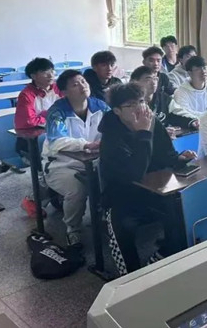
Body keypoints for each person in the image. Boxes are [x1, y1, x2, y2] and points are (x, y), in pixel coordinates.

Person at [99, 83, 196, 276]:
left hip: (153, 192)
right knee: (122, 227)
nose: (139, 108)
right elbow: (133, 173)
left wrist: (179, 158)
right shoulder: (111, 135)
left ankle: (156, 263)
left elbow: (166, 155)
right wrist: (143, 133)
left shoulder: (152, 122)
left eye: (141, 101)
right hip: (121, 197)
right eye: (131, 105)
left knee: (180, 218)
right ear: (117, 111)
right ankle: (131, 280)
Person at [42, 69, 109, 247]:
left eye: (83, 81)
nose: (82, 86)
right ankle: (73, 229)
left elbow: (116, 126)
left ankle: (106, 219)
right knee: (77, 190)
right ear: (64, 92)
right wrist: (85, 145)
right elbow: (57, 141)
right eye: (75, 84)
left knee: (113, 180)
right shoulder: (57, 111)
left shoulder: (100, 106)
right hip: (61, 164)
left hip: (94, 161)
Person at [15, 57, 62, 218]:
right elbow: (28, 120)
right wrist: (51, 116)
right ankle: (32, 200)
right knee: (51, 167)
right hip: (31, 143)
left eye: (52, 71)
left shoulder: (58, 88)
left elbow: (68, 109)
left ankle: (58, 195)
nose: (50, 75)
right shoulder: (26, 95)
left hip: (55, 137)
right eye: (44, 72)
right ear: (34, 76)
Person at [130, 65, 193, 133]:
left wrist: (192, 122)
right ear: (134, 82)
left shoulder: (163, 98)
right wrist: (161, 133)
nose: (153, 82)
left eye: (155, 79)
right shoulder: (129, 104)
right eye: (148, 79)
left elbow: (177, 114)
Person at [170, 56, 207, 129]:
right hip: (191, 128)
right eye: (198, 69)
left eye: (204, 67)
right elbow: (184, 113)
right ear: (189, 73)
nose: (203, 71)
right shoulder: (180, 92)